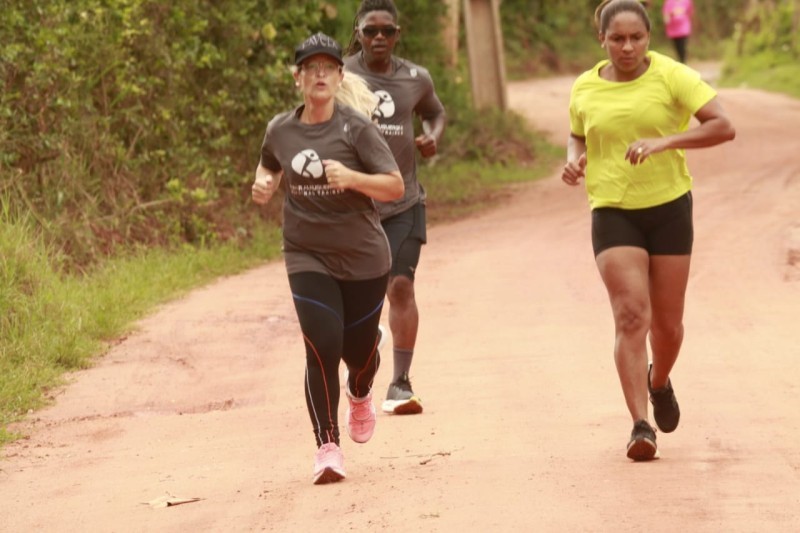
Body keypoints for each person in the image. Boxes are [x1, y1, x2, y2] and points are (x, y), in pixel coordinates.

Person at [562, 0, 735, 461]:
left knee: (668, 325)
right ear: (602, 40)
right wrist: (572, 159)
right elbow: (578, 132)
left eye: (636, 38)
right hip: (613, 208)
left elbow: (724, 126)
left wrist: (667, 141)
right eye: (617, 38)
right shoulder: (585, 86)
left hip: (670, 208)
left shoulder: (672, 76)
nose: (627, 47)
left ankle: (658, 381)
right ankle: (640, 425)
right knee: (631, 315)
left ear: (649, 38)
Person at [251, 32, 404, 484]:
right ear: (297, 78)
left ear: (339, 77)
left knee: (356, 353)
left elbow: (394, 185)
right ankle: (327, 446)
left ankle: (361, 387)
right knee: (321, 346)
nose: (319, 75)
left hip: (362, 257)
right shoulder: (281, 129)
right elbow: (268, 164)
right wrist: (264, 183)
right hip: (306, 253)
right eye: (310, 68)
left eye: (328, 68)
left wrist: (354, 178)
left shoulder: (356, 128)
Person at [343, 0, 446, 416]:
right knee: (361, 297)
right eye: (371, 31)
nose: (379, 37)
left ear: (398, 34)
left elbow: (435, 112)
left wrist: (431, 135)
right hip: (354, 206)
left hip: (403, 201)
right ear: (358, 33)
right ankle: (367, 351)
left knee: (400, 285)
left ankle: (401, 382)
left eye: (387, 30)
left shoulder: (415, 78)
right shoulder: (342, 75)